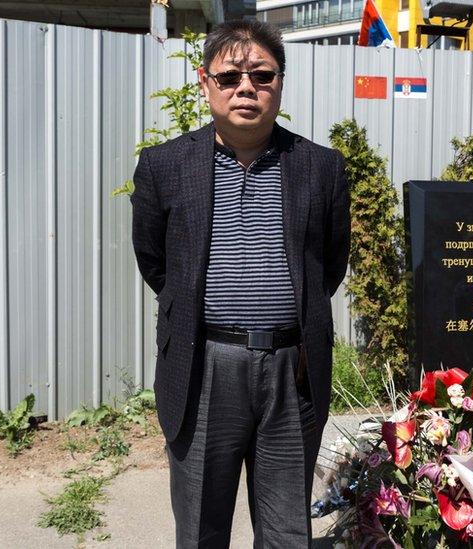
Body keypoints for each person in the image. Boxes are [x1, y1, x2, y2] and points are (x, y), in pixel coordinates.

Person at [130, 20, 350, 548]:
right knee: (202, 526)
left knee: (286, 531)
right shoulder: (164, 166)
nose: (246, 88)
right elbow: (156, 263)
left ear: (279, 83)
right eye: (230, 77)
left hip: (290, 373)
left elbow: (329, 267)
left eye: (262, 75)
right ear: (205, 83)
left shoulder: (320, 167)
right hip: (204, 368)